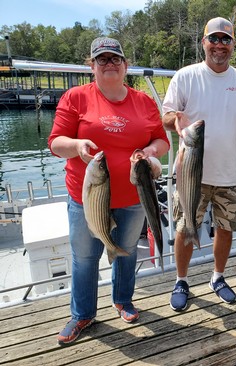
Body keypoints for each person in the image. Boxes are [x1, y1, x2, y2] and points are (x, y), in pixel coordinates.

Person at [49, 37, 170, 345]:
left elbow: (162, 142)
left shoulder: (143, 102)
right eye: (102, 60)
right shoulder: (75, 98)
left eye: (115, 59)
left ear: (126, 65)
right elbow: (56, 143)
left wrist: (150, 153)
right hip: (86, 198)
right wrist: (76, 146)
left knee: (125, 253)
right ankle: (82, 314)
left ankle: (123, 300)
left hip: (133, 199)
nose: (109, 65)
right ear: (92, 66)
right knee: (85, 258)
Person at [162, 18, 236, 311]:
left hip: (232, 173)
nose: (219, 45)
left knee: (226, 228)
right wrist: (175, 121)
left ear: (233, 45)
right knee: (184, 227)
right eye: (214, 39)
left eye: (225, 40)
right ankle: (181, 280)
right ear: (204, 42)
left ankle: (218, 277)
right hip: (190, 173)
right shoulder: (185, 76)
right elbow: (166, 116)